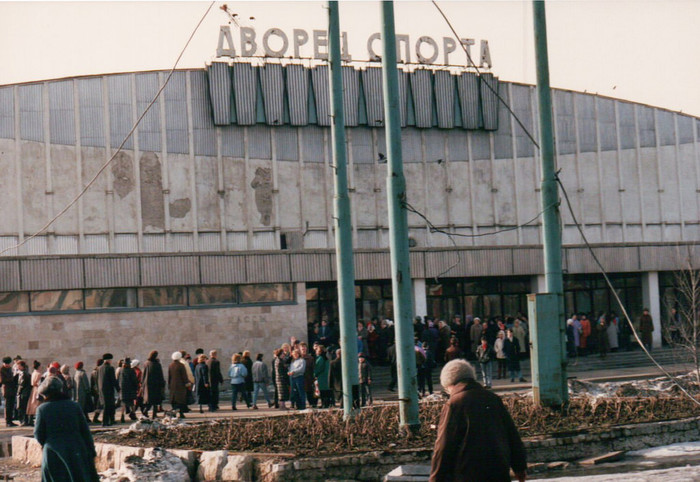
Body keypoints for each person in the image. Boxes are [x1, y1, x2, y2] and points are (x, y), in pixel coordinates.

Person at [430, 359, 526, 482]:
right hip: (498, 471)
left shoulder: (454, 404)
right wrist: (520, 468)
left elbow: (444, 446)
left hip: (467, 474)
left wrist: (435, 478)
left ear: (449, 384)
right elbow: (512, 436)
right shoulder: (493, 399)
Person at [34, 377, 99, 482]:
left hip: (53, 452)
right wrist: (91, 451)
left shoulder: (42, 409)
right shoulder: (74, 406)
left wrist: (48, 443)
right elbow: (85, 430)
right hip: (76, 449)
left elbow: (38, 433)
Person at [141, 350, 166, 419]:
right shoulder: (157, 364)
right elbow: (160, 375)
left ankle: (146, 412)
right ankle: (152, 414)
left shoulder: (146, 363)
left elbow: (143, 374)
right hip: (155, 385)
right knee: (155, 401)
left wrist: (142, 383)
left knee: (149, 401)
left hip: (147, 385)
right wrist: (162, 384)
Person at [97, 353, 118, 426]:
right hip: (108, 389)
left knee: (107, 405)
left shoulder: (99, 368)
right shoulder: (110, 368)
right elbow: (113, 380)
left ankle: (110, 420)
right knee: (108, 406)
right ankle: (105, 421)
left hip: (101, 389)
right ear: (109, 360)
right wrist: (118, 388)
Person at [168, 351, 190, 418]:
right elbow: (184, 376)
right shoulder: (181, 365)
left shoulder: (170, 365)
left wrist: (169, 384)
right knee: (181, 400)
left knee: (174, 400)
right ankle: (181, 413)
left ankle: (174, 413)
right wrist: (187, 383)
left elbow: (169, 376)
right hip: (180, 385)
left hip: (172, 385)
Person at [118, 357, 138, 423]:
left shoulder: (120, 370)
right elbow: (134, 380)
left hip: (122, 389)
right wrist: (136, 387)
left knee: (123, 403)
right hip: (130, 389)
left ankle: (122, 416)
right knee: (132, 403)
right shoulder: (131, 370)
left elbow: (118, 379)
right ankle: (133, 414)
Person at [1, 356, 18, 426]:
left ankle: (10, 420)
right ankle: (8, 421)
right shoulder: (1, 370)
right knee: (8, 406)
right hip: (6, 389)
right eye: (6, 363)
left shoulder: (10, 369)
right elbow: (2, 380)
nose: (7, 365)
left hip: (12, 389)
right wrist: (12, 379)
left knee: (11, 406)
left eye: (8, 363)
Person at [15, 360, 32, 426]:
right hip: (23, 392)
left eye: (18, 365)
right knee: (22, 407)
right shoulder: (22, 373)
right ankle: (24, 420)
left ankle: (24, 420)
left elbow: (22, 385)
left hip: (23, 393)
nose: (17, 367)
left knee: (22, 407)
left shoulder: (24, 374)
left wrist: (18, 392)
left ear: (21, 366)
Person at [26, 360, 42, 426]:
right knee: (37, 403)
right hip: (37, 389)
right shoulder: (39, 374)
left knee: (32, 403)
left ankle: (30, 419)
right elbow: (37, 382)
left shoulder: (33, 373)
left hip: (34, 389)